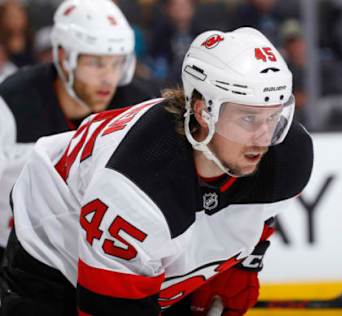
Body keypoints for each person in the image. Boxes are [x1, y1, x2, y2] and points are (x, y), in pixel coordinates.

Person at [0, 27, 313, 316]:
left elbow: (260, 217)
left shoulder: (287, 155)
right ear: (205, 111)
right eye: (248, 119)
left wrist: (240, 268)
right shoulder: (136, 188)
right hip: (53, 256)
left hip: (148, 255)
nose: (263, 139)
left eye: (272, 117)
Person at [0, 0, 155, 258]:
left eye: (116, 63)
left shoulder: (137, 106)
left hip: (90, 260)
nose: (108, 78)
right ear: (63, 57)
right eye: (95, 63)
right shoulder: (11, 103)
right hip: (13, 256)